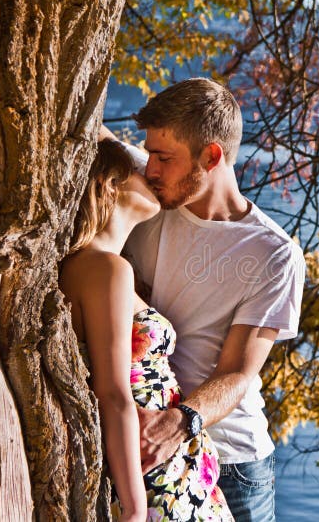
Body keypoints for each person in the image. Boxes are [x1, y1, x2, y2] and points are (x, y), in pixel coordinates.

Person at [113, 77, 305, 521]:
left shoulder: (274, 255)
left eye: (164, 158)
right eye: (150, 154)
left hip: (234, 463)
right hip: (147, 439)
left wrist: (178, 423)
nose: (151, 169)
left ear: (212, 155)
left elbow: (238, 373)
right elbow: (88, 134)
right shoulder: (150, 197)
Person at [59, 139, 233, 521]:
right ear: (109, 183)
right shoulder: (106, 269)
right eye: (139, 167)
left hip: (170, 475)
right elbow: (113, 394)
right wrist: (135, 511)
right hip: (153, 481)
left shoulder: (96, 266)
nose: (150, 174)